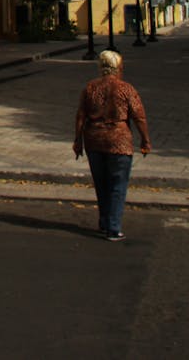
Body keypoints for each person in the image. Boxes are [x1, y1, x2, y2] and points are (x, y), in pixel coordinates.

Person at [73, 49, 152, 241]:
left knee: (101, 184)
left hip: (94, 140)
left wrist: (78, 141)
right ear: (117, 68)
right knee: (118, 184)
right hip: (119, 141)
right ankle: (114, 227)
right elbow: (138, 116)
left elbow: (81, 116)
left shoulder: (90, 87)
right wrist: (145, 139)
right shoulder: (126, 88)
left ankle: (104, 222)